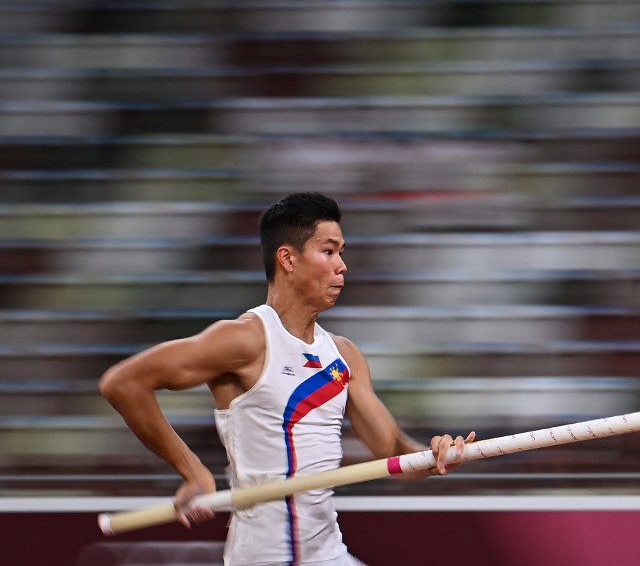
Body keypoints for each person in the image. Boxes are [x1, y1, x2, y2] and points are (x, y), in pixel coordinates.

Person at [99, 192, 475, 565]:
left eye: (341, 252)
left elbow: (392, 453)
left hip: (328, 555)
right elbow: (124, 383)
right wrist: (193, 471)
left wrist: (435, 456)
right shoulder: (246, 339)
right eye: (328, 252)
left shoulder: (344, 356)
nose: (342, 265)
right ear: (288, 258)